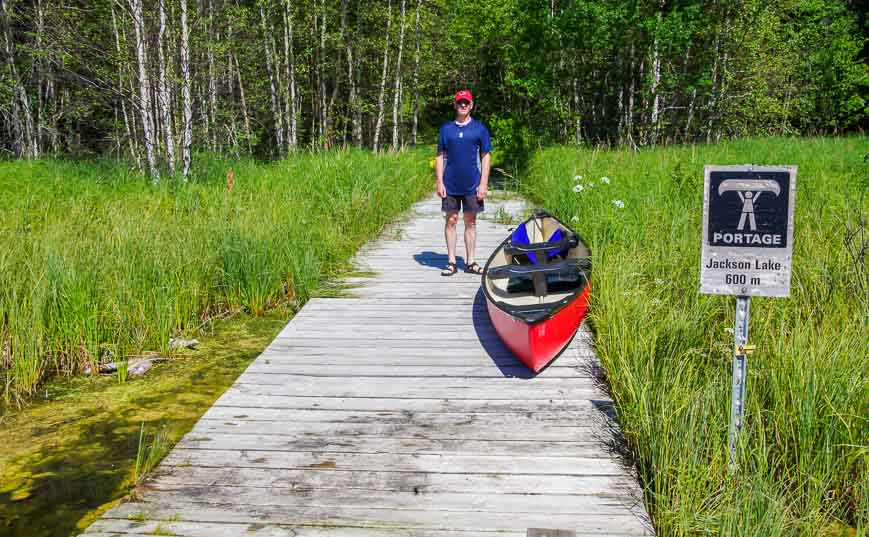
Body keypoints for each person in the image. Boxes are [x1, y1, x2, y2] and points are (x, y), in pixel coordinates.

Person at [435, 89, 492, 276]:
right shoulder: (446, 129)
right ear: (455, 104)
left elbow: (485, 156)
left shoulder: (479, 129)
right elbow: (440, 156)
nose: (463, 105)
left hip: (472, 184)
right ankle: (451, 262)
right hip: (450, 184)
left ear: (471, 105)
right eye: (460, 102)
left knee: (471, 222)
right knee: (451, 220)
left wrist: (483, 183)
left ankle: (471, 261)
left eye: (466, 102)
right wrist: (439, 182)